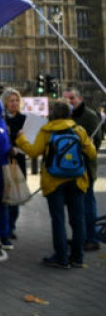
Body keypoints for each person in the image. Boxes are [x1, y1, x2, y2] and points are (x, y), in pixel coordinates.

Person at [16, 99, 97, 268]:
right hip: (76, 180)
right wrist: (88, 143)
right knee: (78, 220)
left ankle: (61, 258)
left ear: (52, 114)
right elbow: (92, 154)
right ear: (69, 114)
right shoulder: (79, 130)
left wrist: (21, 139)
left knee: (58, 220)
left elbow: (33, 152)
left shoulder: (47, 131)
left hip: (53, 181)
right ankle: (77, 258)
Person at [61, 88, 102, 252]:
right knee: (75, 206)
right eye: (67, 99)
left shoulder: (89, 116)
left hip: (85, 169)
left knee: (87, 205)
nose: (70, 101)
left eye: (72, 98)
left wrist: (84, 148)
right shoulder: (67, 116)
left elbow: (96, 142)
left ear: (80, 98)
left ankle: (92, 238)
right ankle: (81, 236)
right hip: (69, 168)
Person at [1, 88, 27, 240]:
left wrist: (20, 145)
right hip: (3, 161)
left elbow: (31, 143)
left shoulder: (24, 119)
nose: (15, 103)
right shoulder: (0, 119)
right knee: (4, 198)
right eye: (11, 101)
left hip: (18, 162)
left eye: (17, 100)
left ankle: (10, 227)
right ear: (5, 102)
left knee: (15, 198)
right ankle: (4, 227)